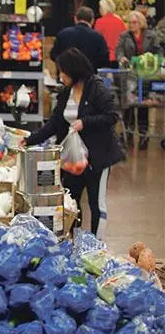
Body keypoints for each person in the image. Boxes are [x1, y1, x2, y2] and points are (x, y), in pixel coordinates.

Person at [24, 48, 124, 240]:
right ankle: (75, 242)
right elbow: (54, 123)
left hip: (97, 157)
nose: (60, 76)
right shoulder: (65, 93)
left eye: (62, 71)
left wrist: (85, 122)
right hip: (72, 159)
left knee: (97, 204)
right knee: (72, 203)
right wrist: (29, 140)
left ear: (73, 70)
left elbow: (111, 116)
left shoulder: (97, 88)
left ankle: (96, 245)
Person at [116, 10, 161, 149]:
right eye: (129, 22)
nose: (131, 25)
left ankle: (143, 135)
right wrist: (121, 58)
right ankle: (127, 133)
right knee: (128, 105)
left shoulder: (151, 36)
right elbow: (119, 50)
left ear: (141, 23)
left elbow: (158, 51)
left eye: (134, 22)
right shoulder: (124, 36)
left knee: (143, 105)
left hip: (146, 76)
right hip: (129, 75)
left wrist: (154, 59)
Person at [50, 6, 109, 72]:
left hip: (67, 76)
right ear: (92, 20)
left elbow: (53, 55)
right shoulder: (98, 37)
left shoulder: (63, 34)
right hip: (89, 76)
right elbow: (104, 60)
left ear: (75, 18)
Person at [93, 0, 127, 66]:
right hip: (118, 57)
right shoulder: (120, 21)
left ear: (103, 8)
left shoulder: (99, 22)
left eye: (100, 7)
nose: (99, 9)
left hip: (105, 57)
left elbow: (95, 40)